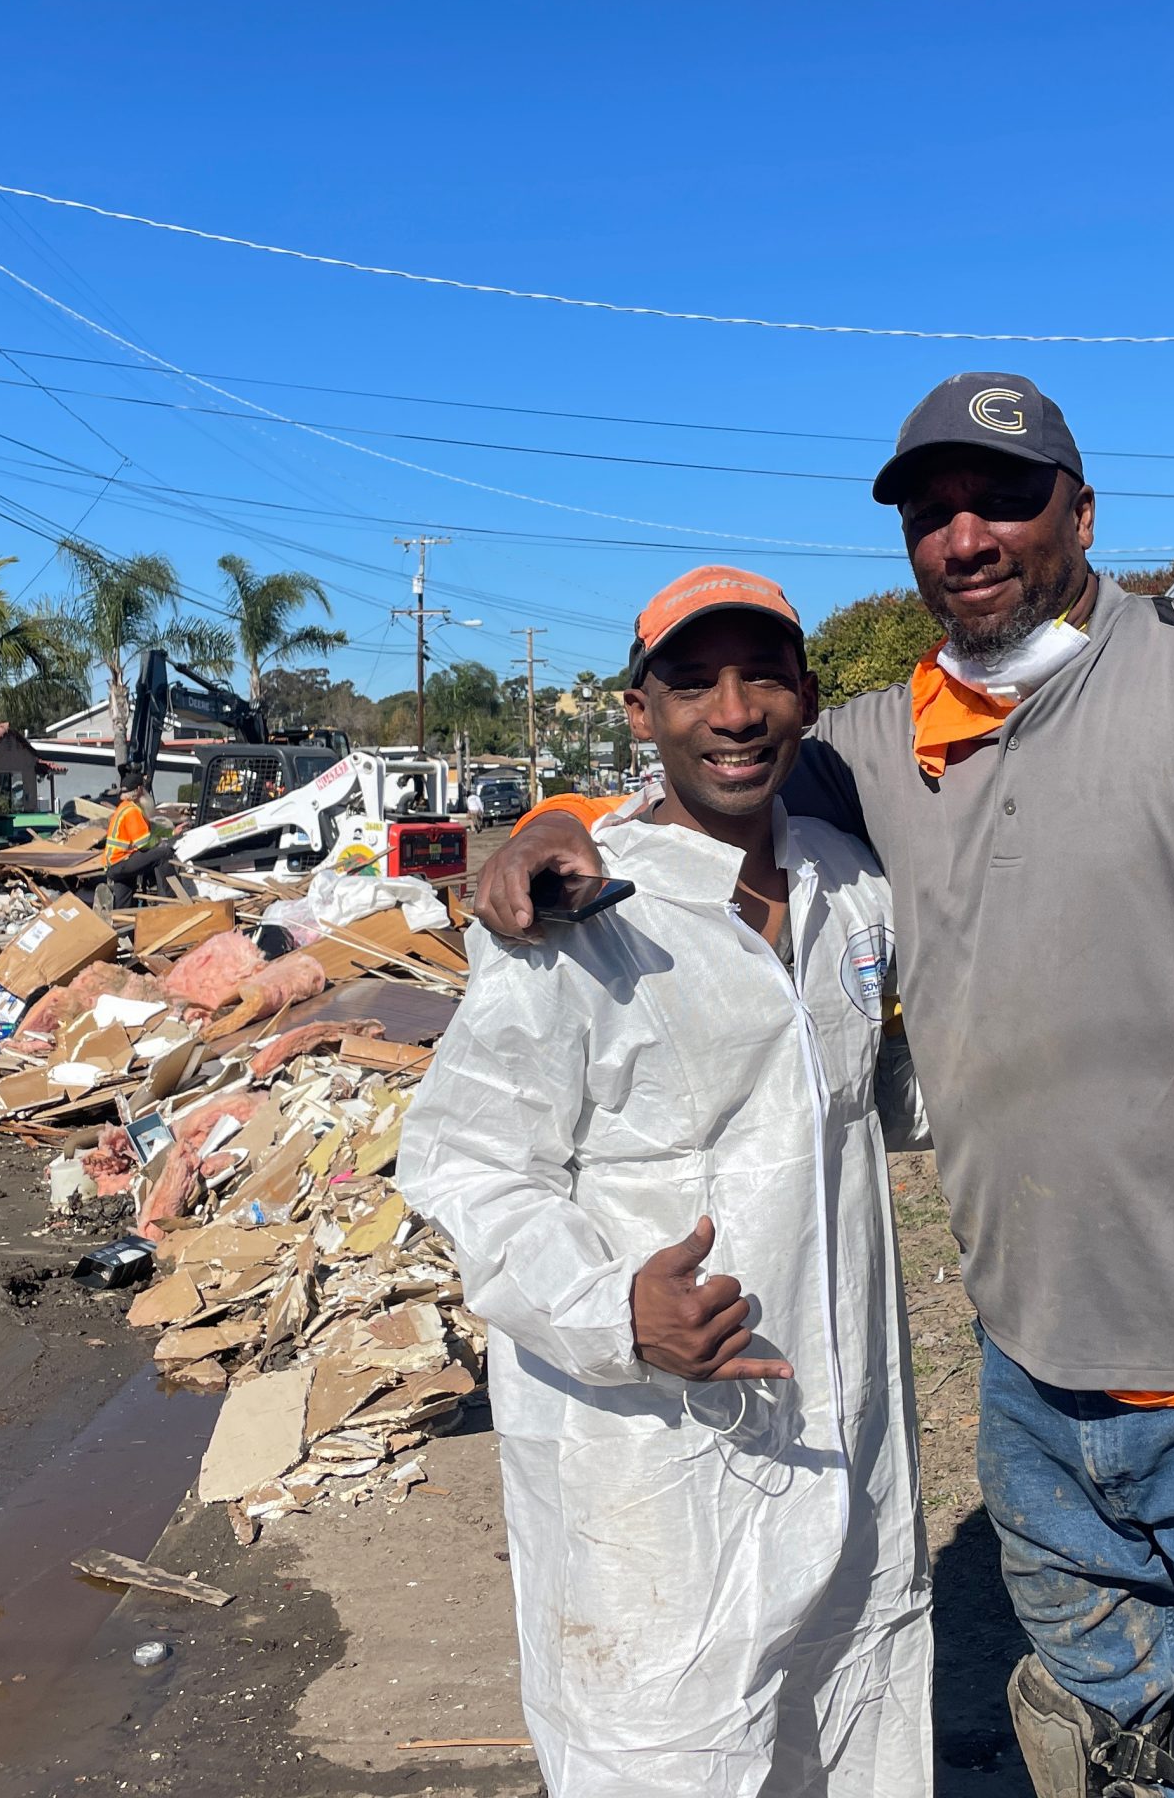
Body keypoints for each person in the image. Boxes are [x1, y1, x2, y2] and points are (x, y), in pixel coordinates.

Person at [480, 375, 1174, 1798]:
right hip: (1031, 1376)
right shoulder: (877, 747)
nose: (965, 537)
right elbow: (704, 783)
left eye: (1003, 497)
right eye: (930, 512)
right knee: (1099, 1732)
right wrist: (551, 820)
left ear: (1082, 511)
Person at [398, 566, 933, 1798]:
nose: (733, 713)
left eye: (762, 679)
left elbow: (869, 1097)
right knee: (668, 1748)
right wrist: (611, 1311)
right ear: (640, 712)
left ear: (806, 697)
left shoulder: (853, 889)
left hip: (843, 1436)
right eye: (692, 685)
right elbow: (466, 1159)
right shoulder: (580, 917)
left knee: (854, 1728)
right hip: (647, 1470)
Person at [95, 777, 162, 910]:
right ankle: (168, 899)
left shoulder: (124, 807)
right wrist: (161, 842)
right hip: (121, 861)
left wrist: (171, 832)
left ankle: (122, 921)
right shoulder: (133, 810)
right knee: (163, 854)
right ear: (139, 789)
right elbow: (144, 843)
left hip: (113, 864)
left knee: (124, 902)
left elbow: (149, 829)